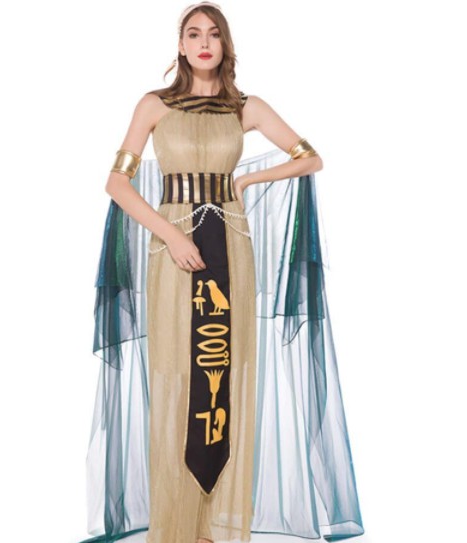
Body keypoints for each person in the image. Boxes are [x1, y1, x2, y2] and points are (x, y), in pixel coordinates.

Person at [80, 3, 365, 543]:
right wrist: (170, 235)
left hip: (230, 244)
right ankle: (177, 521)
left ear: (225, 44)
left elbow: (309, 157)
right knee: (176, 373)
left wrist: (250, 181)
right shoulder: (154, 105)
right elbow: (117, 184)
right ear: (181, 46)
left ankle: (214, 524)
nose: (204, 42)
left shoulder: (245, 108)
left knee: (224, 374)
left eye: (214, 34)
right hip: (173, 250)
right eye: (194, 34)